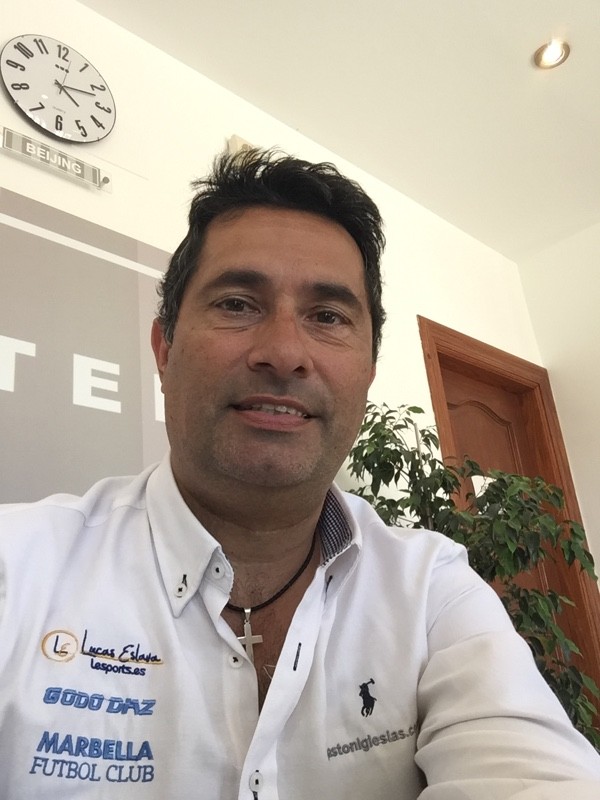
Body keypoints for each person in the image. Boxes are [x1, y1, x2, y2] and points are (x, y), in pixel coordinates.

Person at [0, 148, 599, 800]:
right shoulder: (20, 568)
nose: (284, 353)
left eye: (328, 317)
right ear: (163, 349)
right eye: (237, 304)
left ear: (368, 371)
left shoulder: (432, 591)